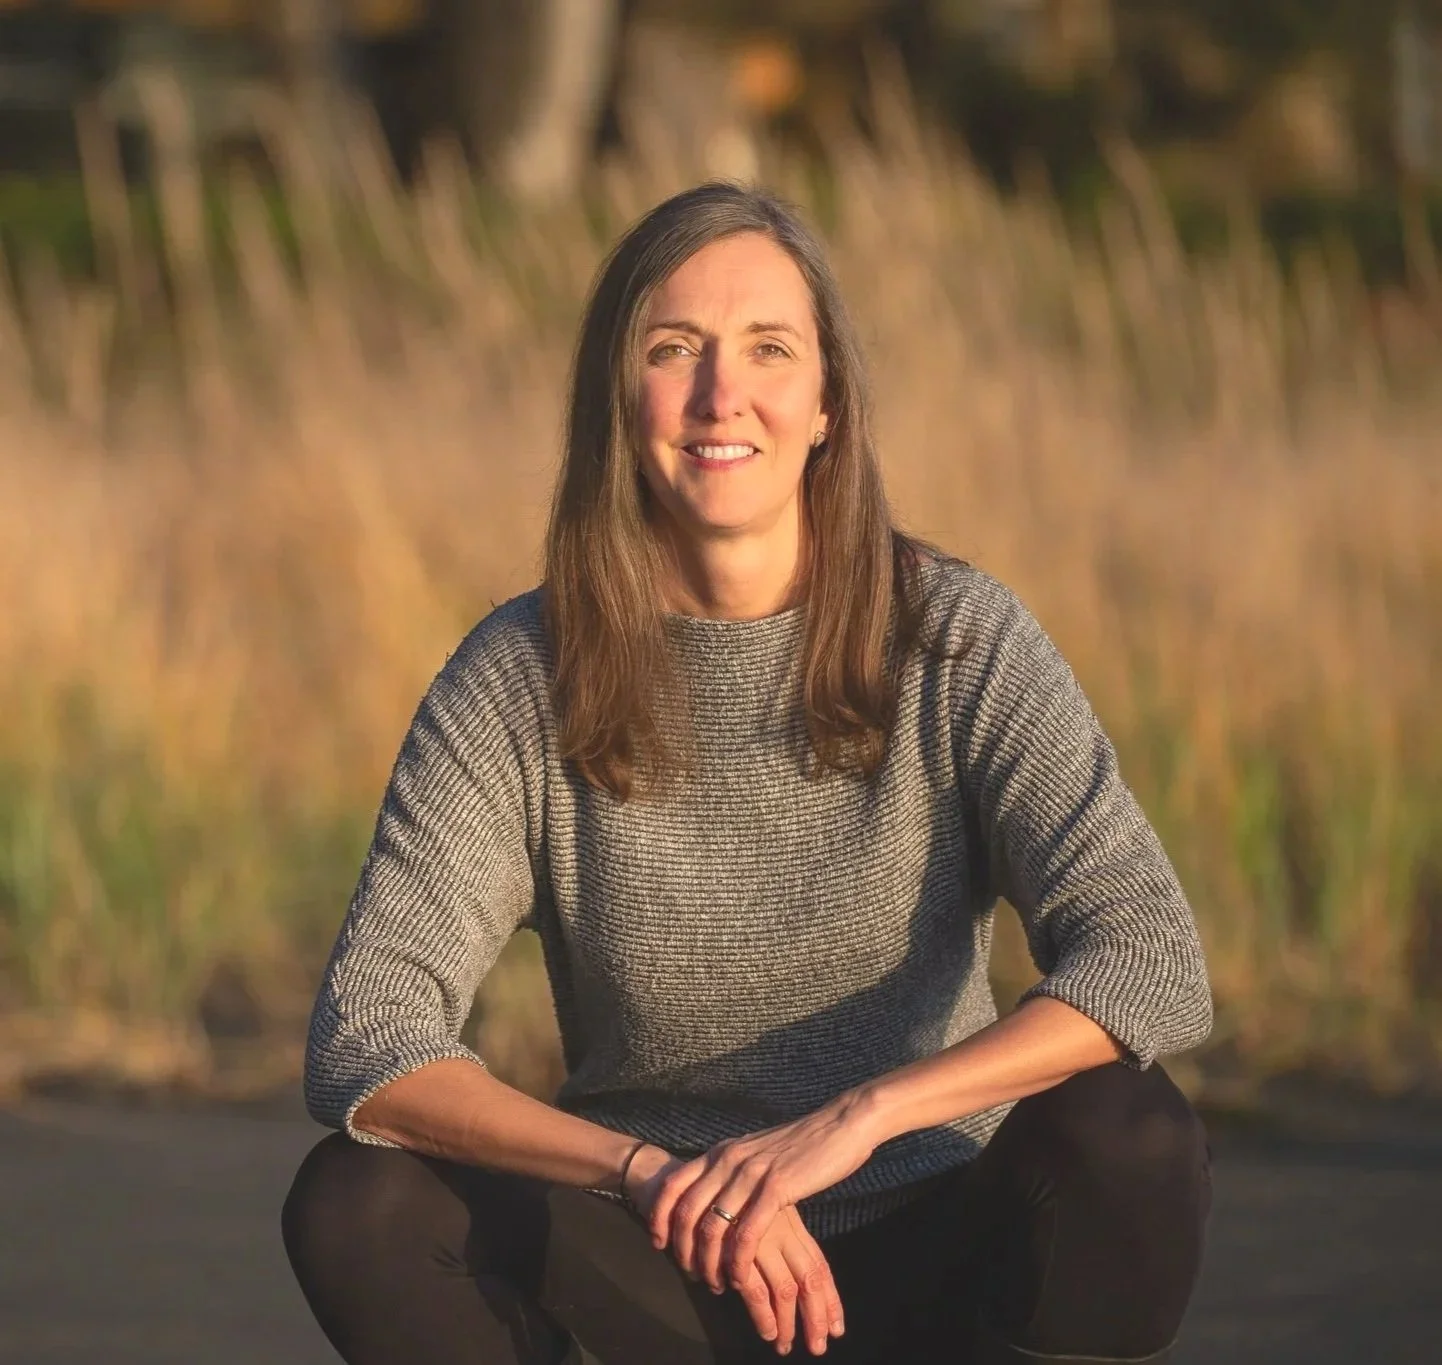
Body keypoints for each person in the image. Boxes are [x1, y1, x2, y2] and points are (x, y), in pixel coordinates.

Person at [281, 181, 1214, 1365]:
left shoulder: (956, 638)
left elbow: (1148, 957)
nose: (723, 396)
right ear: (619, 402)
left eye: (768, 349)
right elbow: (367, 1037)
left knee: (1125, 1132)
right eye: (675, 350)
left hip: (938, 1238)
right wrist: (646, 1172)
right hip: (658, 1258)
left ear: (826, 402)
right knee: (357, 1201)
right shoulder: (520, 672)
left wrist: (860, 1118)